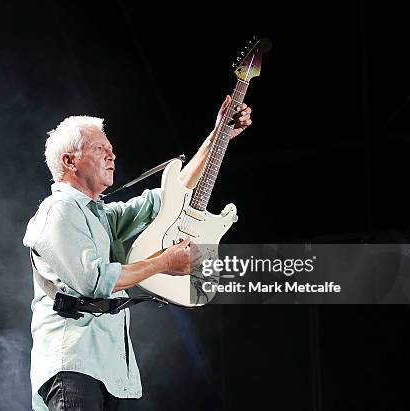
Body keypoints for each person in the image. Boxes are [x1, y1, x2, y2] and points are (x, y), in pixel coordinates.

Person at [23, 96, 252, 411]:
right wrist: (163, 262)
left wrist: (218, 136)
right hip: (74, 364)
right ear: (69, 161)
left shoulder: (101, 216)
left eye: (111, 149)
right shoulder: (59, 210)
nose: (112, 155)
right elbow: (96, 280)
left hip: (107, 370)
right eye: (100, 149)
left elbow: (173, 195)